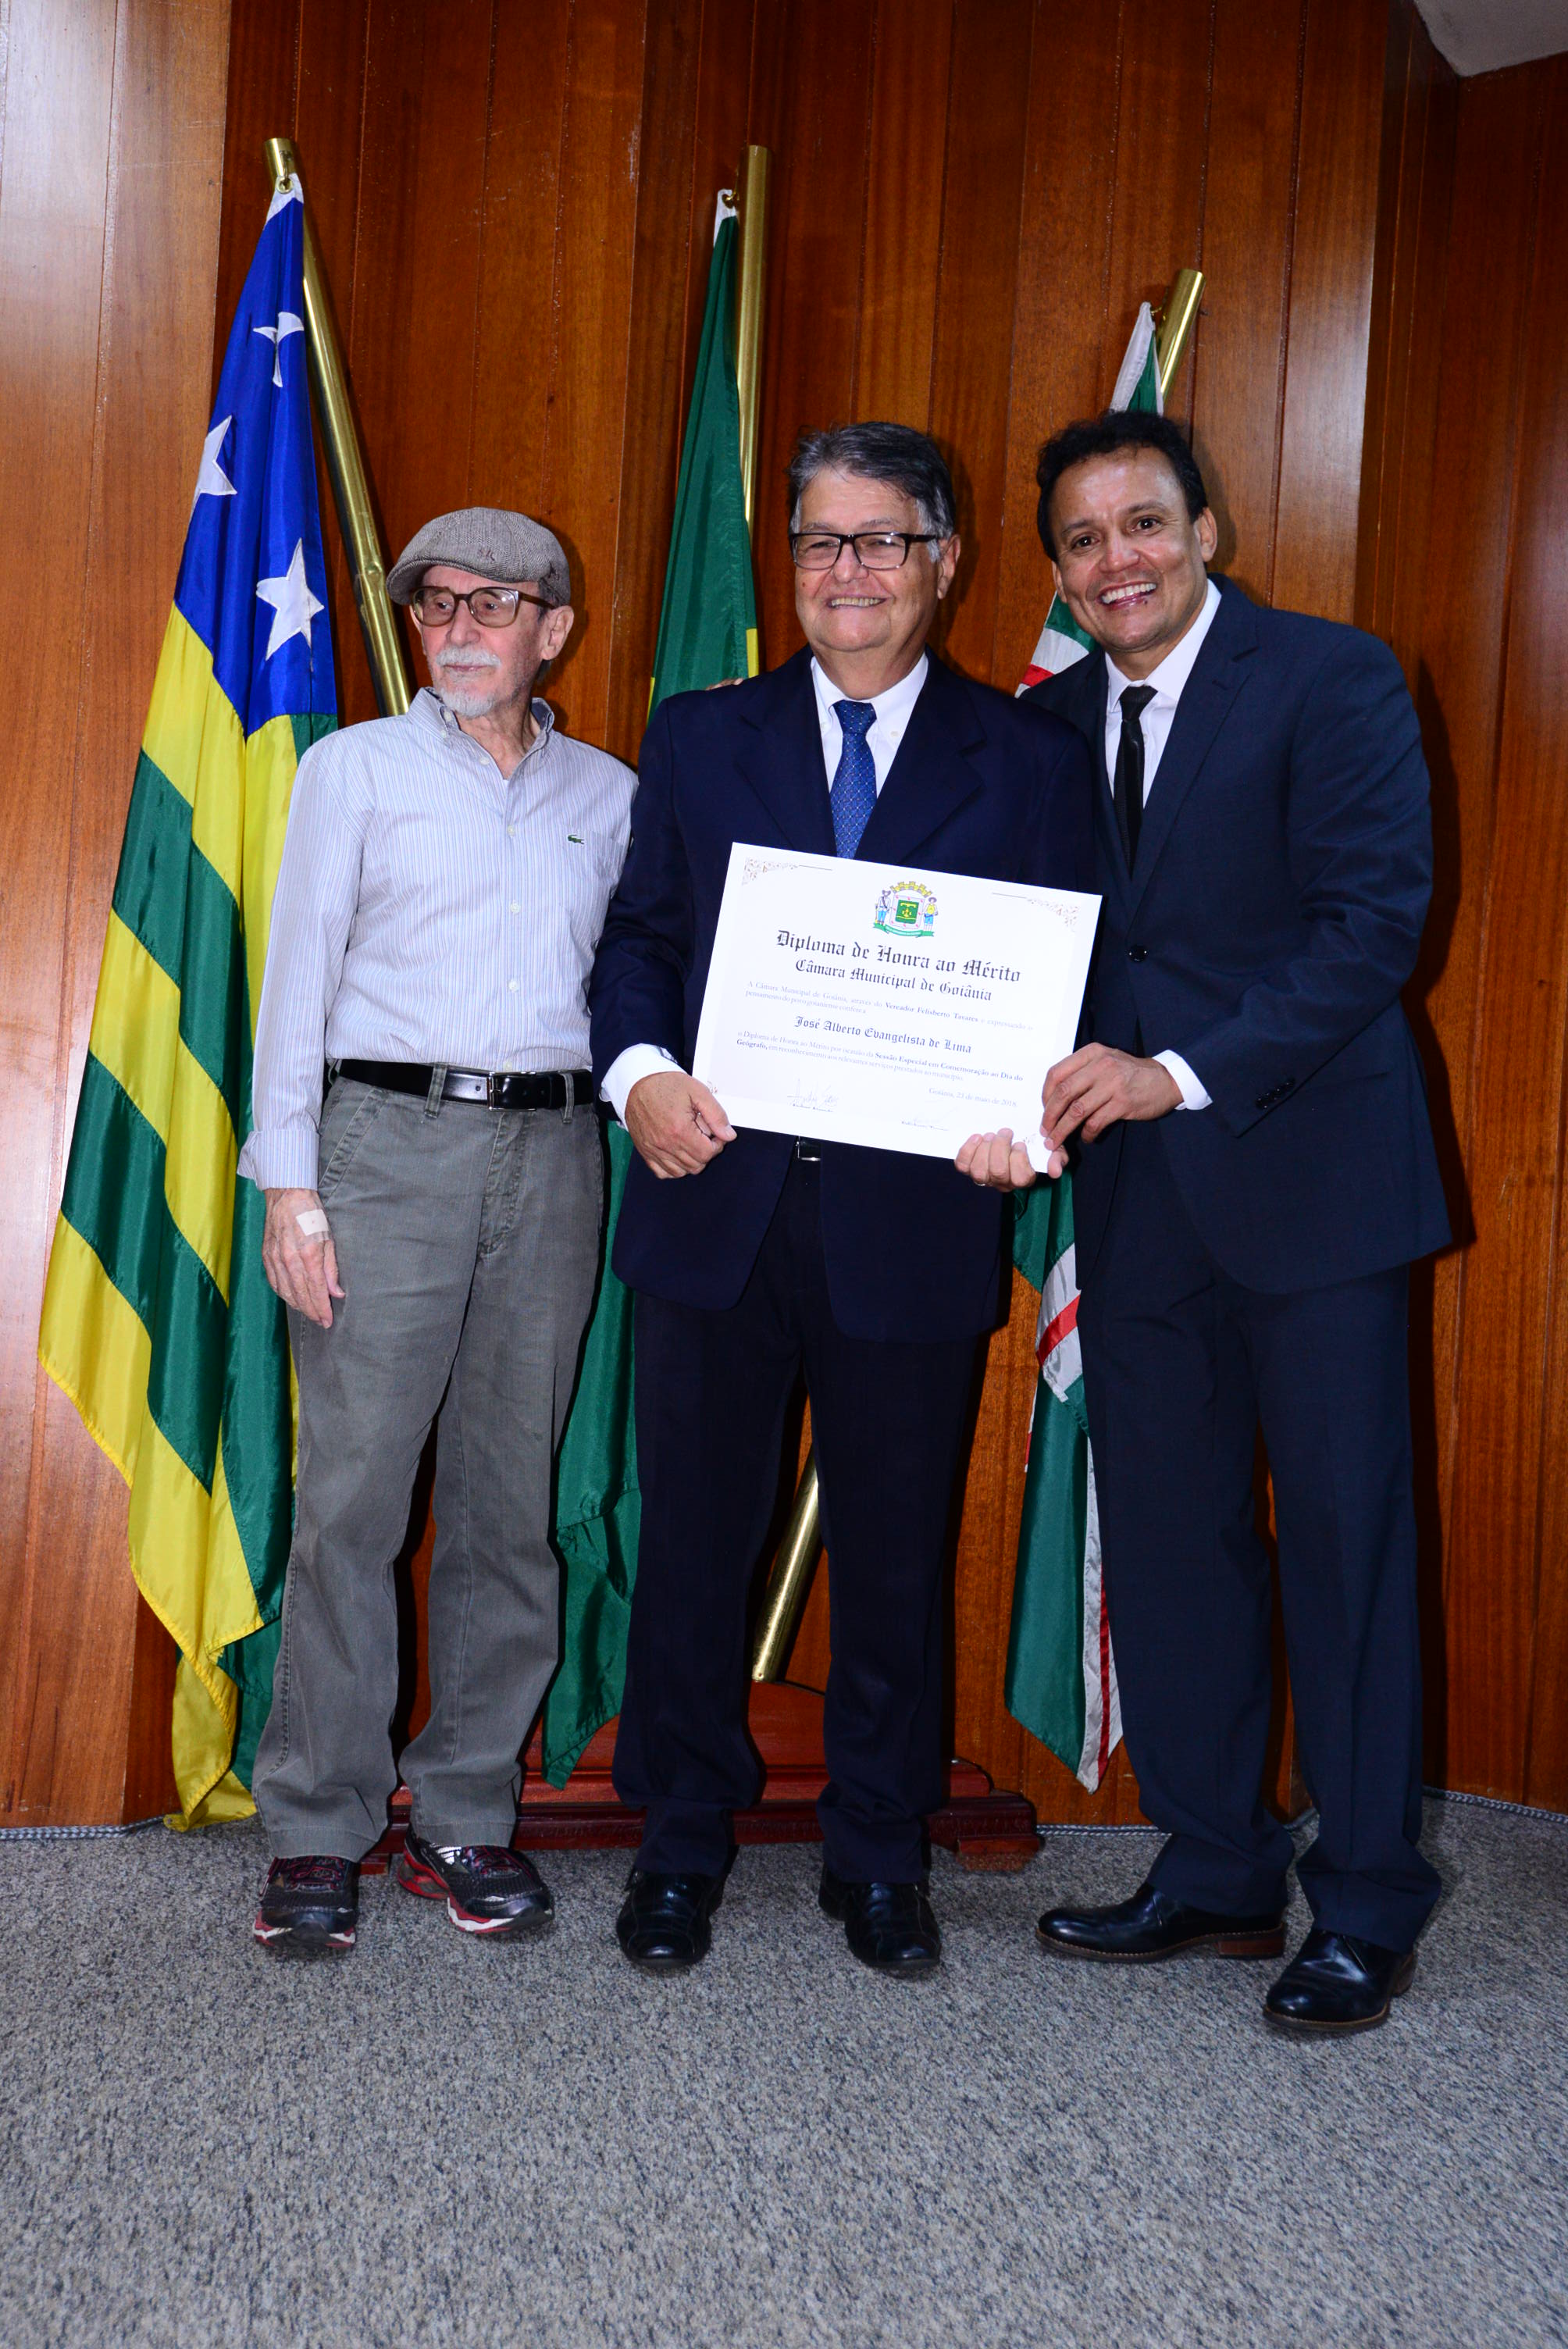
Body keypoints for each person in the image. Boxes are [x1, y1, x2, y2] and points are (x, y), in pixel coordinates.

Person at [590, 422, 1092, 1977]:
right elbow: (638, 941)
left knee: (891, 1550)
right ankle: (679, 1838)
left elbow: (1066, 977)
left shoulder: (1028, 755)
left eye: (882, 540)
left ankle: (878, 1849)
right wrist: (639, 1076)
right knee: (694, 1542)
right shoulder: (700, 734)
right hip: (712, 1197)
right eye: (819, 541)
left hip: (916, 1213)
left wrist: (1031, 1122)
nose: (847, 571)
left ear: (944, 562)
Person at [975, 408, 1449, 2031]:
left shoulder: (1330, 678)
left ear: (1204, 531)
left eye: (1142, 523)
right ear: (1058, 572)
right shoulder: (1045, 727)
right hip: (1135, 1204)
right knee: (1174, 1540)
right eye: (1083, 539)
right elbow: (1016, 948)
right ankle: (1219, 1865)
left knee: (1345, 1545)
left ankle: (1367, 1898)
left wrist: (1173, 1072)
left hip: (1314, 1185)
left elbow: (1370, 927)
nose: (1116, 558)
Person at [241, 507, 636, 1958]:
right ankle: (317, 1825)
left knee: (504, 1504)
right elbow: (296, 978)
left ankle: (466, 1808)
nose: (459, 628)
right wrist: (291, 1187)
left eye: (493, 603)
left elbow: (645, 982)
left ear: (554, 628)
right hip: (384, 1150)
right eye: (435, 604)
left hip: (558, 1151)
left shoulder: (614, 794)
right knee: (352, 1500)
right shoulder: (353, 770)